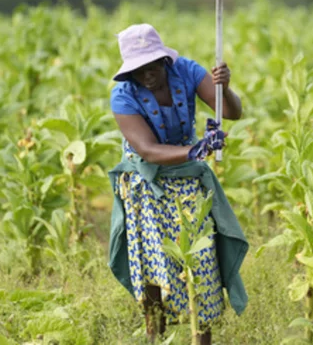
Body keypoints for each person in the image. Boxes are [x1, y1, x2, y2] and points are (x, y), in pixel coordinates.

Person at [107, 23, 249, 345]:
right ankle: (155, 336)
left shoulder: (186, 71)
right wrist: (196, 150)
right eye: (138, 68)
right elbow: (148, 150)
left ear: (164, 59)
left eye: (152, 64)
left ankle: (202, 337)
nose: (146, 74)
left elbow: (231, 112)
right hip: (148, 184)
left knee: (201, 259)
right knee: (156, 265)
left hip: (188, 181)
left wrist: (223, 88)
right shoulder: (123, 96)